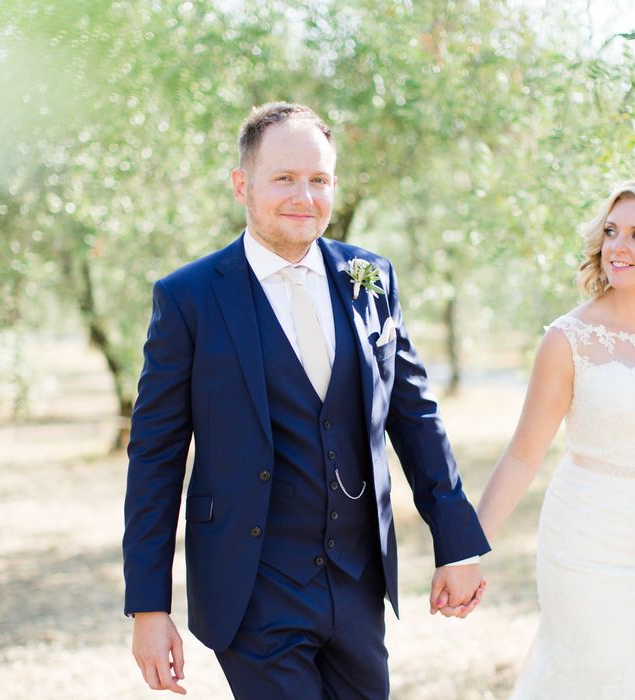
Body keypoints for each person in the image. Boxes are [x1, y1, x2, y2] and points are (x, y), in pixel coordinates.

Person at [122, 102, 490, 698]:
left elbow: (416, 416)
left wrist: (457, 543)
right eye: (284, 178)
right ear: (242, 184)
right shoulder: (188, 298)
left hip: (357, 580)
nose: (305, 195)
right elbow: (154, 458)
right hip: (251, 586)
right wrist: (148, 607)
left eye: (319, 179)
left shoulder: (370, 277)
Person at [476, 179, 635, 698]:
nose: (618, 247)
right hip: (588, 544)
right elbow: (524, 456)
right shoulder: (568, 339)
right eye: (612, 232)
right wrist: (467, 551)